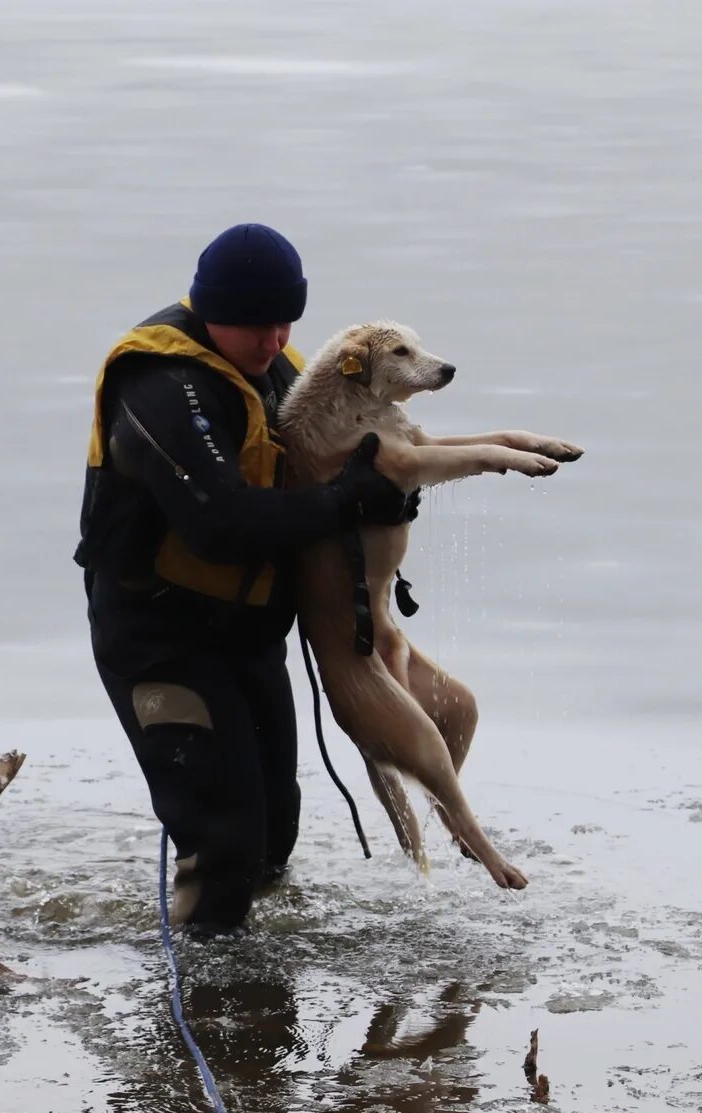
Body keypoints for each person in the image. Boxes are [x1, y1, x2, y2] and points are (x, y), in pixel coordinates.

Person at [74, 223, 414, 935]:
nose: (272, 339)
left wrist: (389, 490)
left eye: (284, 321)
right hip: (158, 639)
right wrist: (345, 501)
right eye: (254, 324)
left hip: (248, 637)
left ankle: (255, 1002)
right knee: (224, 836)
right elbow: (220, 524)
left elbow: (336, 459)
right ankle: (203, 1004)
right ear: (208, 309)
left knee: (274, 828)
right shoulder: (161, 387)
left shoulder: (280, 365)